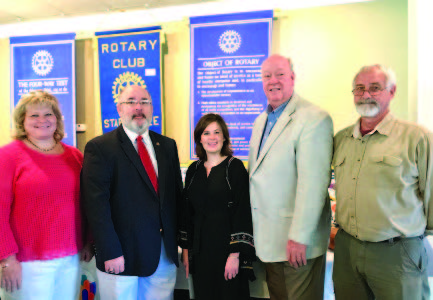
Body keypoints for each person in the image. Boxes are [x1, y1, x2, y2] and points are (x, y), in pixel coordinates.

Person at [332, 64, 432, 300]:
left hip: (397, 253)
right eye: (359, 88)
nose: (366, 94)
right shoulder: (341, 139)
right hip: (347, 251)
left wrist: (412, 237)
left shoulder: (417, 138)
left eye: (375, 88)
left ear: (392, 91)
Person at [81, 85, 182, 300]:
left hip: (163, 255)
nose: (138, 107)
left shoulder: (167, 146)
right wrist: (109, 250)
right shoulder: (100, 148)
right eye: (131, 102)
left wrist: (182, 244)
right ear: (119, 108)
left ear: (152, 108)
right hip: (120, 257)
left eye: (144, 102)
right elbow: (96, 206)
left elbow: (175, 198)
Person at [248, 54, 333, 300]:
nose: (273, 81)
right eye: (267, 76)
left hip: (296, 245)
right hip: (269, 242)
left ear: (293, 78)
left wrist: (300, 236)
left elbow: (314, 184)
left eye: (280, 74)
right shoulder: (261, 121)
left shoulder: (313, 118)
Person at [0, 90, 93, 300]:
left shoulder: (74, 155)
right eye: (34, 115)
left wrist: (88, 241)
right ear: (21, 121)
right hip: (26, 263)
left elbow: (86, 204)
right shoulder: (8, 156)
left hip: (71, 257)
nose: (42, 120)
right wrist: (6, 259)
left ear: (58, 119)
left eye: (48, 114)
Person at [179, 113, 255, 300]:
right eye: (206, 133)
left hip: (226, 252)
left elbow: (242, 212)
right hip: (200, 252)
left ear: (224, 137)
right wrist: (187, 253)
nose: (212, 137)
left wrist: (234, 255)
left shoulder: (234, 168)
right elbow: (187, 213)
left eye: (216, 132)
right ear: (199, 138)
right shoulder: (193, 170)